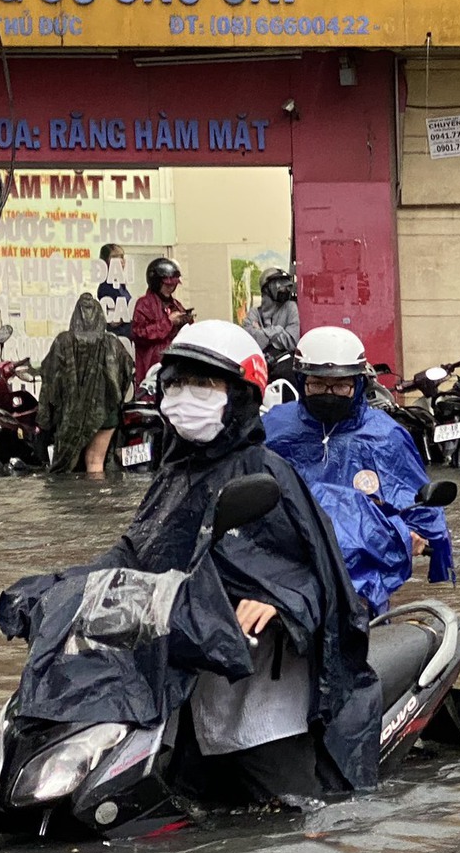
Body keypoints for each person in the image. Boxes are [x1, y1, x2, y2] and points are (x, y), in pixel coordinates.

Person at [95, 320, 383, 806]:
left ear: (241, 395)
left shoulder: (269, 474)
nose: (186, 396)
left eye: (204, 384)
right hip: (189, 689)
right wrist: (70, 589)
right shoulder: (173, 475)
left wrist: (280, 599)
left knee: (296, 828)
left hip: (263, 701)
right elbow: (141, 549)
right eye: (177, 384)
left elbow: (324, 576)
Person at [263, 327, 454, 613]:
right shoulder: (274, 429)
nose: (329, 394)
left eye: (340, 386)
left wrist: (423, 540)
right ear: (302, 381)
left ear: (358, 383)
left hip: (361, 576)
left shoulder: (385, 436)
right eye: (318, 384)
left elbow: (416, 501)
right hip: (285, 568)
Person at [37, 294, 134, 475]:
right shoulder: (112, 342)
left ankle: (74, 503)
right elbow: (126, 372)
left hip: (71, 415)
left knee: (66, 467)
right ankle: (96, 501)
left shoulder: (63, 341)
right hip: (104, 413)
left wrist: (48, 414)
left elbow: (50, 377)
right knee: (96, 462)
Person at [132, 258, 193, 382]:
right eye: (167, 285)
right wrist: (169, 322)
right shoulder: (144, 304)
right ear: (157, 282)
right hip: (152, 369)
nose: (170, 288)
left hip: (174, 366)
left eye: (173, 285)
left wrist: (186, 321)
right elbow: (139, 334)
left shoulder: (176, 304)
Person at [242, 268, 300, 358]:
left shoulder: (290, 307)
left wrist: (261, 332)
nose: (285, 289)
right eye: (279, 285)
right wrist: (279, 330)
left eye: (286, 286)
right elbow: (249, 340)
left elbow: (292, 341)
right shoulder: (254, 312)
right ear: (267, 288)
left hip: (282, 367)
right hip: (258, 364)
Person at [95, 243, 134, 346]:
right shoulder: (106, 286)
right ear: (106, 261)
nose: (120, 261)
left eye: (121, 256)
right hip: (117, 340)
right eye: (114, 257)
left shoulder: (120, 284)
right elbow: (111, 320)